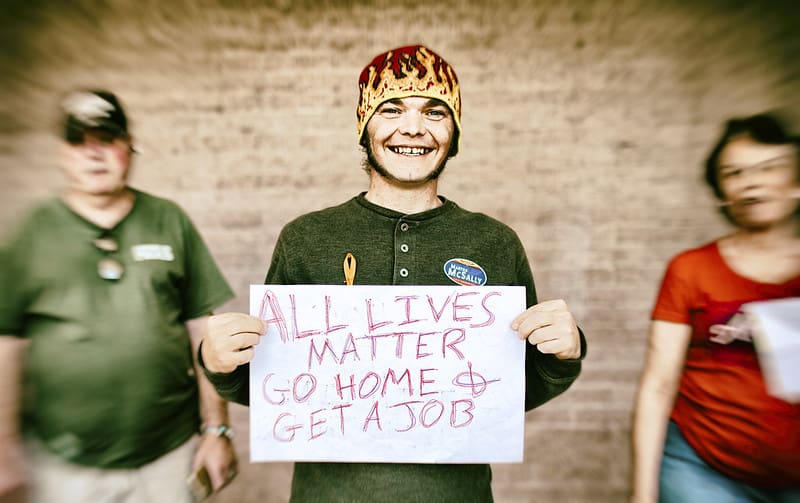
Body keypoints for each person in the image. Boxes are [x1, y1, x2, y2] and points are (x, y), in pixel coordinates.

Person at [199, 44, 586, 502]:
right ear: (365, 127)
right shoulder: (306, 237)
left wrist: (563, 354)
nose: (414, 128)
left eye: (435, 112)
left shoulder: (495, 243)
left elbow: (506, 394)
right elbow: (278, 392)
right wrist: (218, 362)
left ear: (454, 133)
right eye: (392, 109)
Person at [0, 90, 239, 502]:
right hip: (65, 463)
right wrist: (4, 447)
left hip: (169, 452)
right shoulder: (34, 231)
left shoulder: (169, 220)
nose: (94, 154)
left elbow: (205, 329)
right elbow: (6, 344)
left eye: (107, 139)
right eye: (79, 142)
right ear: (62, 153)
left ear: (129, 146)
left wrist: (216, 430)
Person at [631, 113, 800, 502]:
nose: (752, 182)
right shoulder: (691, 270)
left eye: (769, 168)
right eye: (735, 172)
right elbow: (658, 385)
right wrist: (642, 494)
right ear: (722, 190)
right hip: (703, 469)